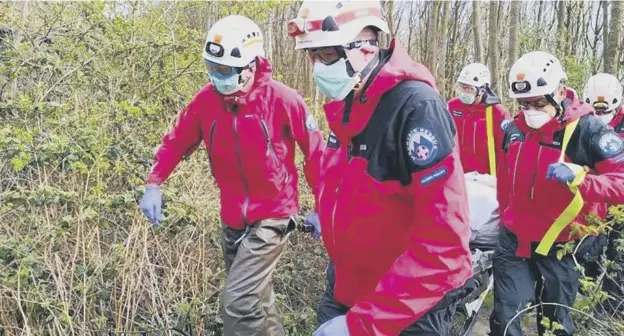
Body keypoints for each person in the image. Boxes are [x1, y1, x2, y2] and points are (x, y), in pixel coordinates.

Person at [287, 1, 473, 335]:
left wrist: (362, 324)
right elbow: (345, 185)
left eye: (325, 54)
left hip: (408, 306)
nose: (315, 67)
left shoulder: (416, 109)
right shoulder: (349, 101)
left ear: (365, 47)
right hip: (346, 289)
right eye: (311, 55)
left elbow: (445, 247)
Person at [138, 15, 325, 336]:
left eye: (223, 71)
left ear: (250, 66)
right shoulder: (205, 102)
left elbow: (317, 153)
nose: (215, 77)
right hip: (233, 219)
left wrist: (322, 206)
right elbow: (177, 141)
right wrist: (154, 183)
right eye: (211, 67)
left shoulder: (283, 100)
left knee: (238, 302)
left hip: (274, 214)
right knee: (258, 302)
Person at [490, 51, 624, 336]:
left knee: (554, 326)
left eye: (538, 102)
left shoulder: (588, 131)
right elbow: (505, 183)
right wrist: (505, 219)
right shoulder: (514, 130)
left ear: (560, 92)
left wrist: (583, 179)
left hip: (562, 245)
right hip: (515, 242)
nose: (530, 110)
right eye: (523, 103)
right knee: (504, 320)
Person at [582, 72, 624, 316]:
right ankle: (585, 288)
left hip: (618, 199)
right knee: (589, 249)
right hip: (593, 198)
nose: (600, 116)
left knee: (618, 258)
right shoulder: (582, 122)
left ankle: (610, 309)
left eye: (604, 110)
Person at [447, 63, 512, 177]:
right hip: (457, 176)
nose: (464, 93)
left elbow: (505, 151)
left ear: (482, 90)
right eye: (461, 88)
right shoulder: (452, 107)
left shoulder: (498, 113)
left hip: (485, 180)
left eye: (469, 89)